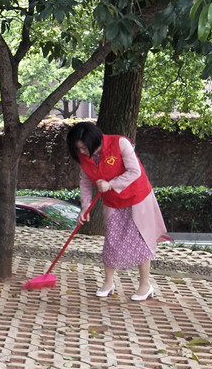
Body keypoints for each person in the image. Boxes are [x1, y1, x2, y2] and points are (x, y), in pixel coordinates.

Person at [66, 122, 167, 301]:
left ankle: (145, 285)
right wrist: (85, 207)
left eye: (83, 147)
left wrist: (111, 184)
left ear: (92, 140)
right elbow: (86, 182)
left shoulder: (120, 143)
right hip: (113, 203)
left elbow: (134, 171)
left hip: (138, 198)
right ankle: (108, 283)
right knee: (111, 241)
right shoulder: (85, 159)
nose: (82, 152)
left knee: (141, 239)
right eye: (78, 149)